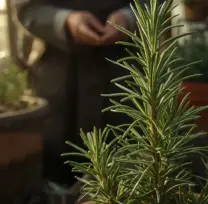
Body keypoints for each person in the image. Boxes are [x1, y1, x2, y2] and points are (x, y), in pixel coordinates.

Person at [12, 0, 146, 186]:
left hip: (126, 76)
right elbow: (27, 8)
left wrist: (129, 17)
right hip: (61, 81)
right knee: (57, 177)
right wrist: (64, 20)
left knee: (130, 174)